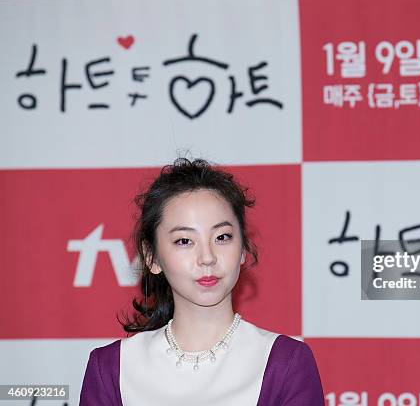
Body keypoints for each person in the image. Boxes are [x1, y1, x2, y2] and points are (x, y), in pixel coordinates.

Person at [79, 157, 325, 405]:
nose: (207, 257)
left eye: (222, 237)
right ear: (152, 257)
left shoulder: (286, 362)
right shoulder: (111, 368)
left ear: (242, 249)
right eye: (184, 241)